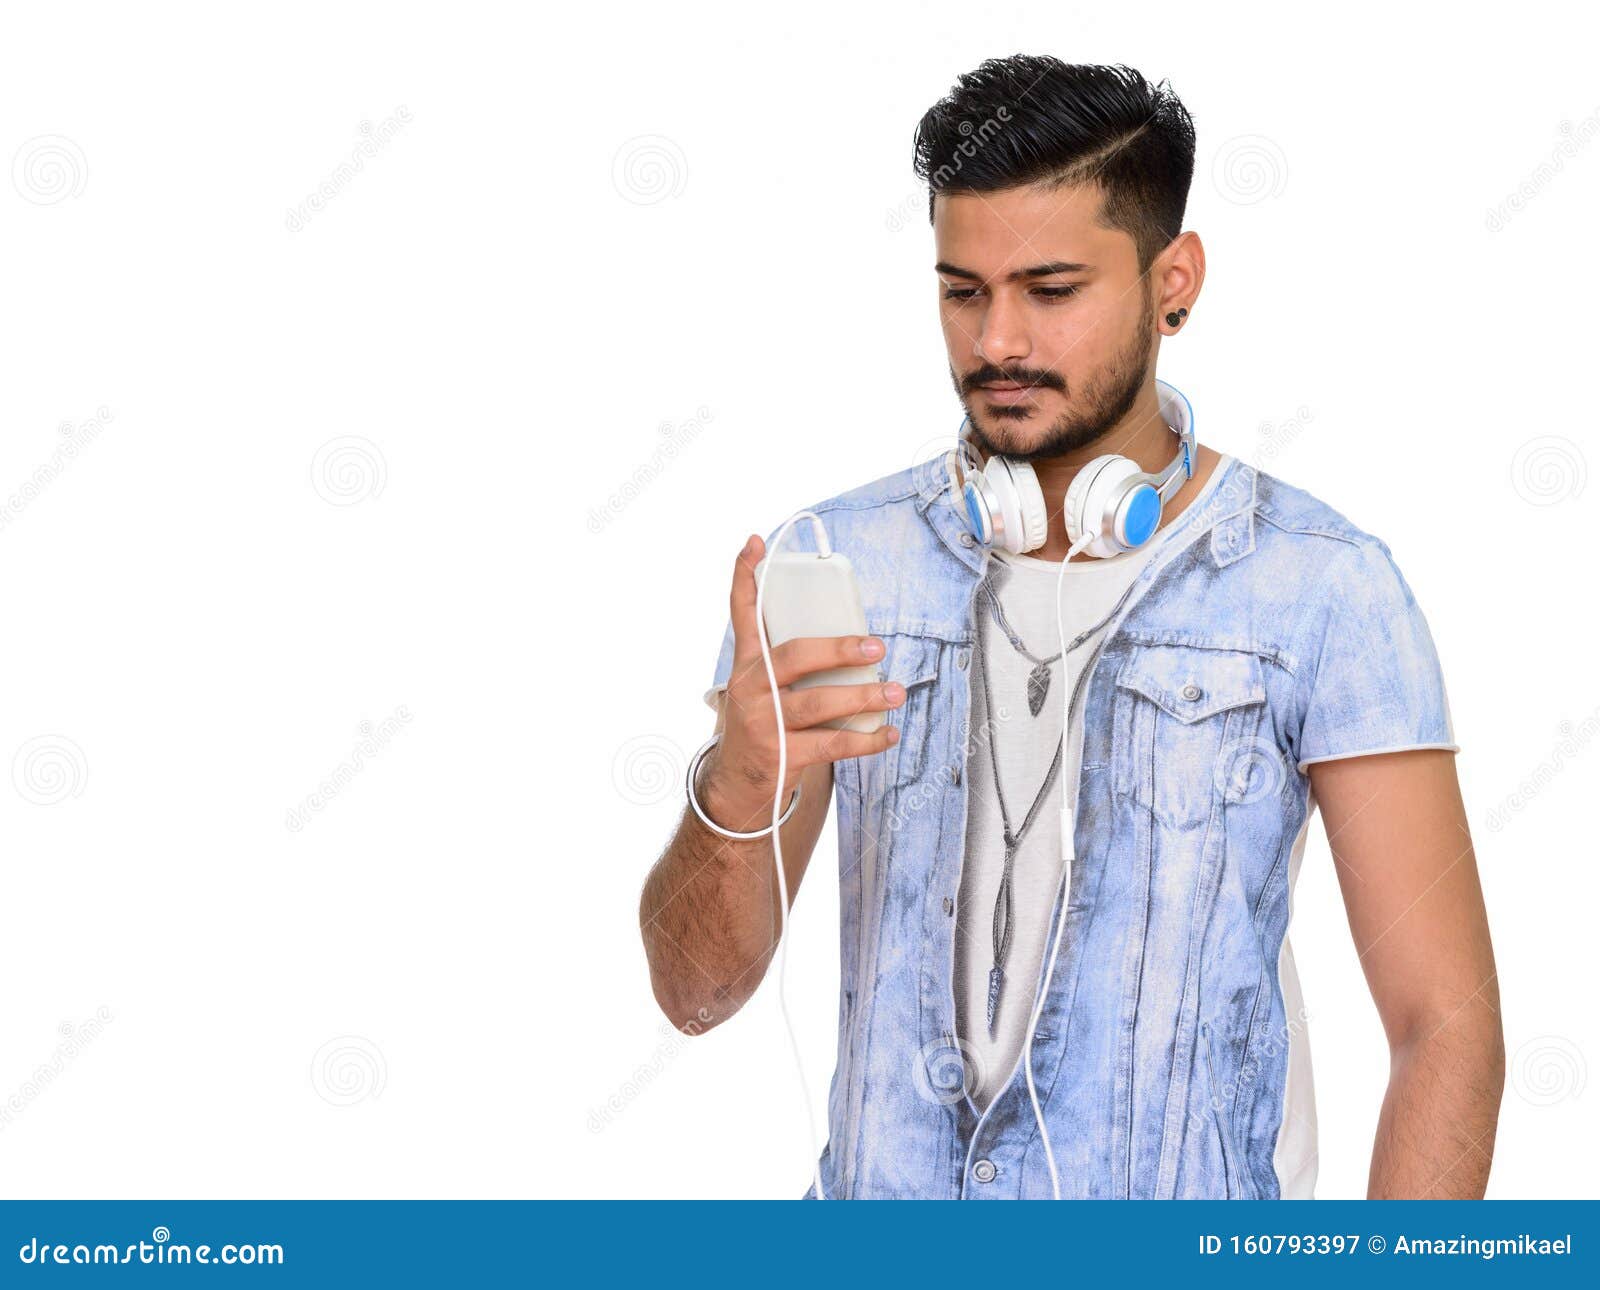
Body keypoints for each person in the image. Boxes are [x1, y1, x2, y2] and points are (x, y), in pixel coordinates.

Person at [638, 55, 1503, 1200]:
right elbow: (696, 995)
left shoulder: (1320, 589)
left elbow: (1444, 1029)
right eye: (962, 291)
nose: (997, 341)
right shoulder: (835, 568)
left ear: (1172, 281)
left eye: (1050, 291)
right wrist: (741, 780)